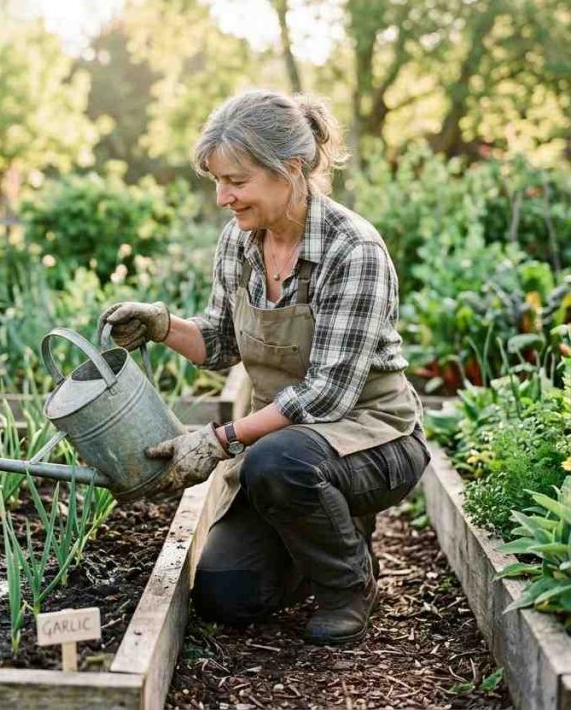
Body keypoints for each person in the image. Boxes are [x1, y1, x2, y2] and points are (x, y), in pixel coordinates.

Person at [99, 90, 429, 646]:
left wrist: (222, 438)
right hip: (285, 447)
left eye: (237, 181)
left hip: (373, 439)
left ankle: (348, 585)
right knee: (225, 595)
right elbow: (222, 342)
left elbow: (326, 395)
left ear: (292, 170)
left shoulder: (354, 250)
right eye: (218, 182)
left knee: (278, 462)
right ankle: (322, 531)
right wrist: (163, 326)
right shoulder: (241, 241)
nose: (224, 197)